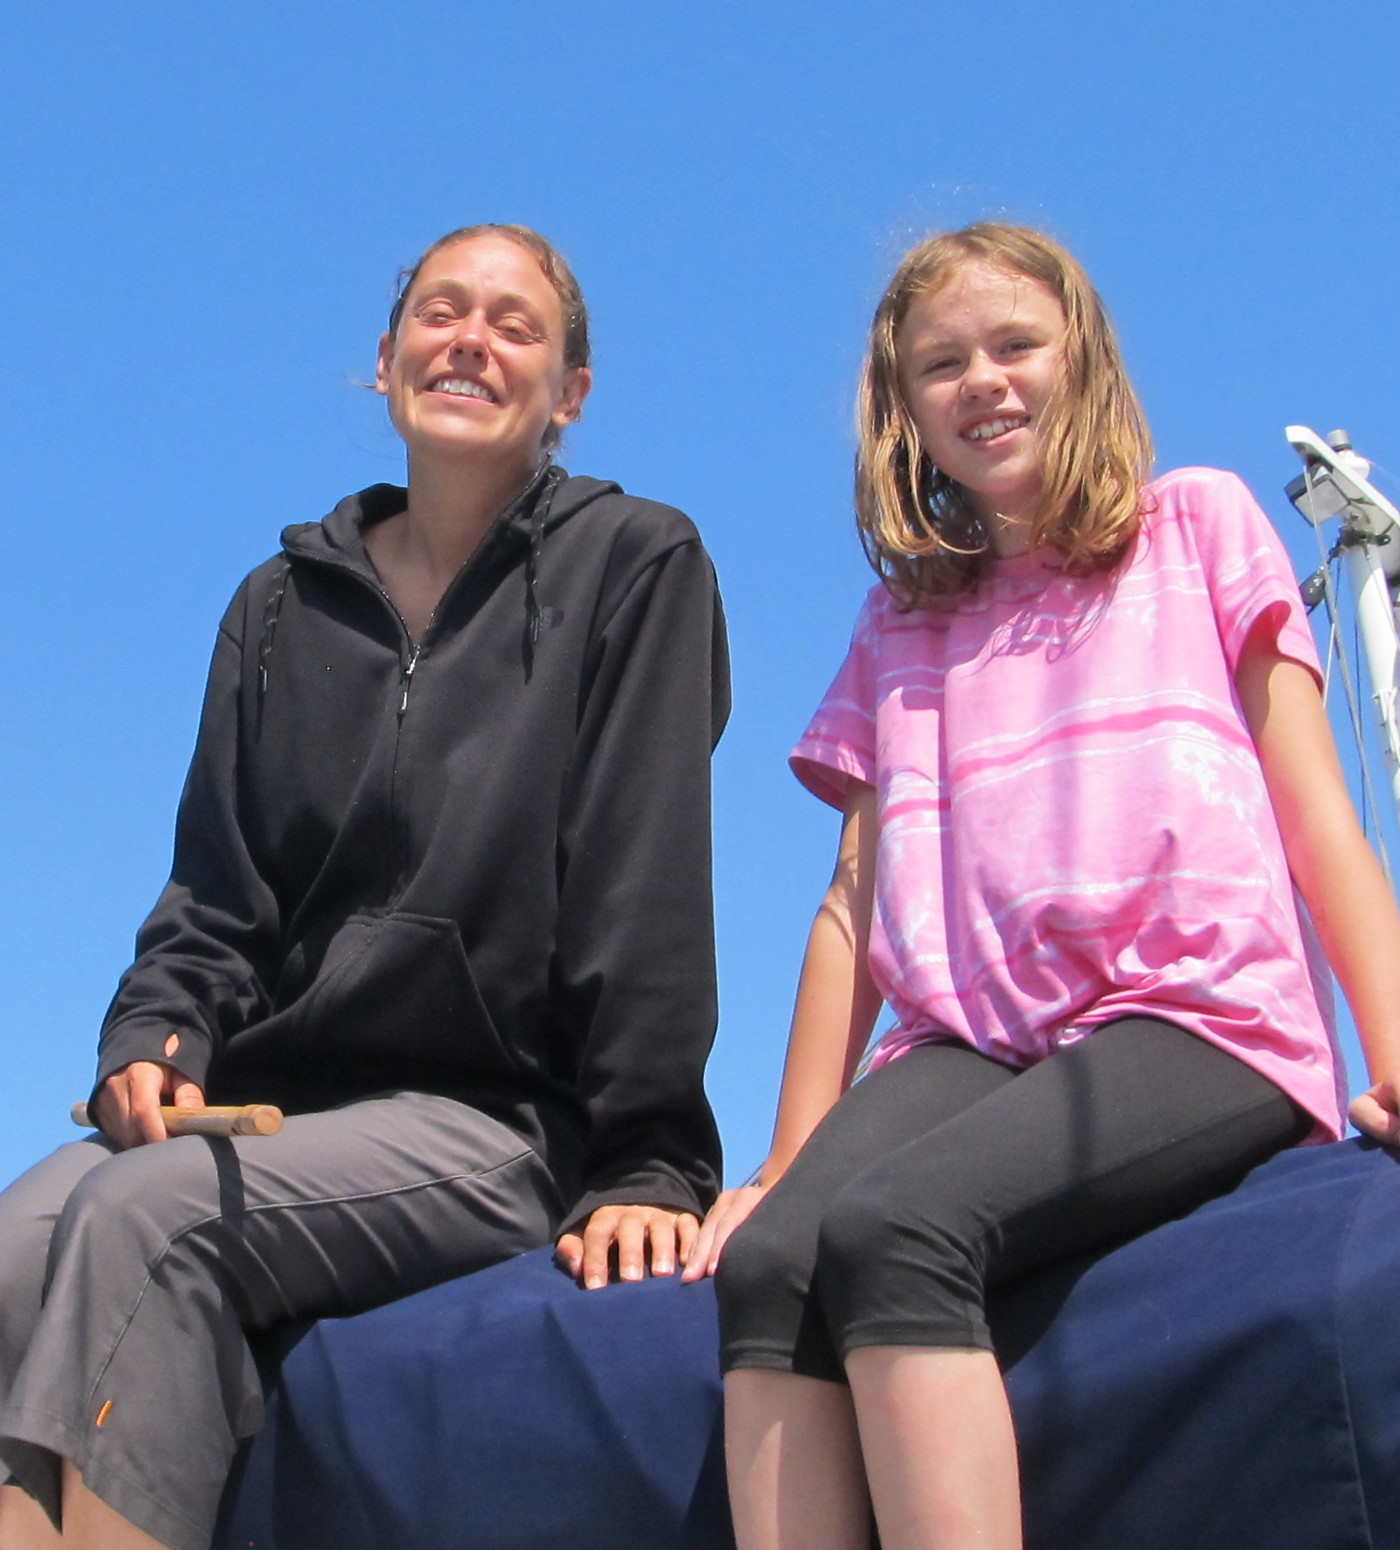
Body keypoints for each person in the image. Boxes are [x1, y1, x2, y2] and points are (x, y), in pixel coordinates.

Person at [0, 222, 729, 1550]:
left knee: (140, 1220)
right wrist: (154, 1040)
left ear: (569, 391)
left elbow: (646, 880)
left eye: (514, 324)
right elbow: (215, 900)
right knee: (11, 1249)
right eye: (441, 312)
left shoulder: (638, 563)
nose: (470, 341)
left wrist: (649, 1158)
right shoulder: (278, 605)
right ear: (387, 357)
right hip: (275, 1111)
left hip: (497, 1120)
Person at [685, 222, 1400, 1550]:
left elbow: (1315, 809)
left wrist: (1398, 1047)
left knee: (899, 1229)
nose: (985, 380)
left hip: (1193, 1011)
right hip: (972, 1038)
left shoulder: (1197, 522)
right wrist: (783, 1161)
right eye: (941, 363)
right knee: (778, 1261)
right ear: (903, 411)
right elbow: (848, 905)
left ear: (1084, 361)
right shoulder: (903, 621)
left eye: (1017, 343)